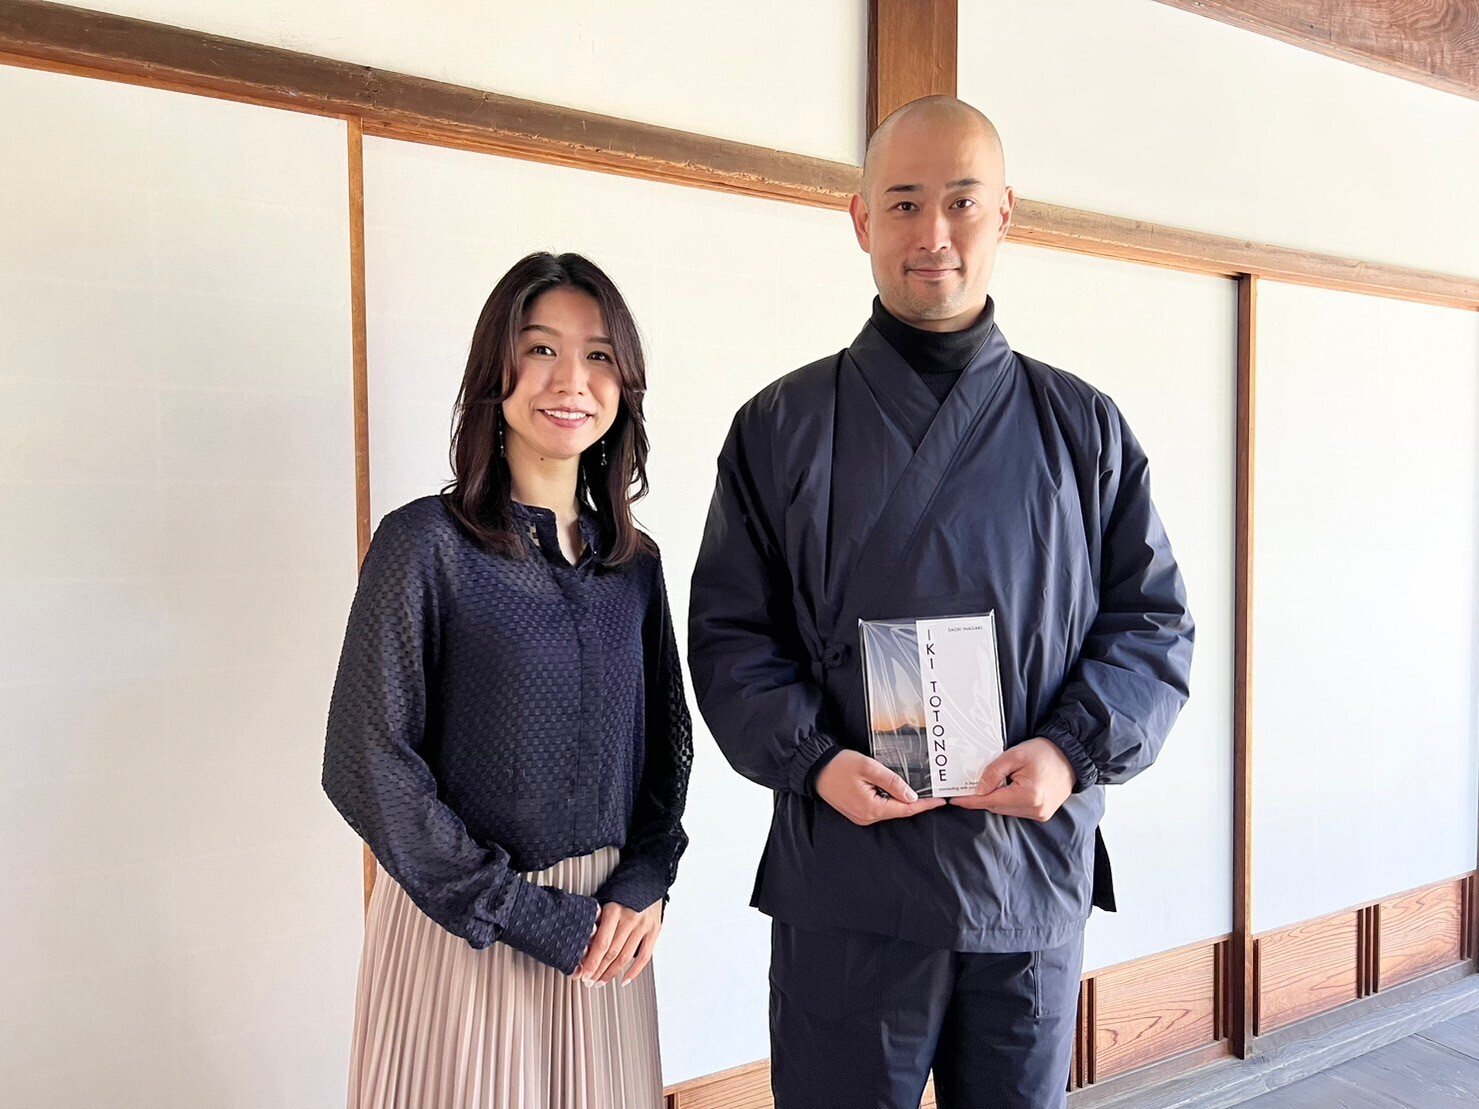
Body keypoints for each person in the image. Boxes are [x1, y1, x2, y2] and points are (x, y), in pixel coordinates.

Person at [686, 97, 1194, 1108]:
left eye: (961, 202)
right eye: (904, 202)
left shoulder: (1082, 426)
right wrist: (814, 759)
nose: (933, 234)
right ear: (861, 218)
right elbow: (729, 631)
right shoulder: (781, 425)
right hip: (850, 874)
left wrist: (1069, 750)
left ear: (1006, 212)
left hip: (1025, 869)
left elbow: (1152, 623)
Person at [323, 251, 692, 1109]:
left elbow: (664, 753)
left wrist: (645, 880)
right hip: (464, 929)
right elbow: (368, 760)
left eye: (599, 355)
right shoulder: (425, 545)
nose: (571, 379)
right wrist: (527, 915)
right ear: (497, 370)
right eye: (540, 349)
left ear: (624, 383)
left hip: (605, 938)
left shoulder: (635, 566)